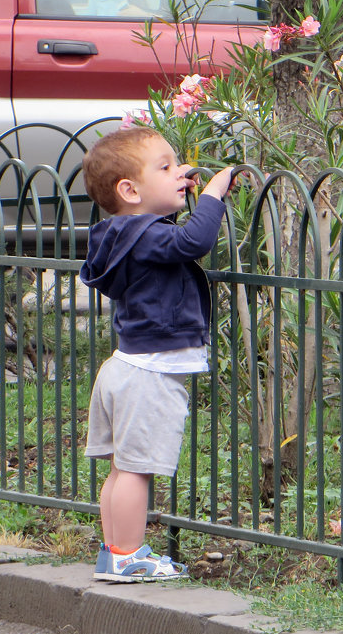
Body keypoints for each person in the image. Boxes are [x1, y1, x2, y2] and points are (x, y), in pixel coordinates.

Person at [80, 125, 236, 582]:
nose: (179, 173)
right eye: (165, 167)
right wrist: (212, 194)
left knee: (122, 470)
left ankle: (115, 553)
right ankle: (128, 556)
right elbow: (194, 243)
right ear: (129, 190)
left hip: (126, 366)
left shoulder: (121, 233)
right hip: (148, 374)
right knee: (135, 471)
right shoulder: (145, 236)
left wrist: (174, 185)